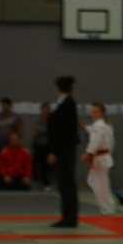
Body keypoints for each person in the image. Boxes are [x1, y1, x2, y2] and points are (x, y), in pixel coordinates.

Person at [47, 75, 80, 228]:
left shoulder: (67, 104)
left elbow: (63, 131)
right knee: (64, 183)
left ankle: (69, 218)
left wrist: (54, 151)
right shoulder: (64, 103)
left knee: (66, 183)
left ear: (58, 87)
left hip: (65, 150)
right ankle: (67, 217)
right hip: (64, 149)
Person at [82, 102, 116, 215]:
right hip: (104, 157)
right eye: (92, 112)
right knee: (101, 183)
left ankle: (106, 208)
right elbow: (111, 142)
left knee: (98, 183)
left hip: (100, 158)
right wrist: (84, 126)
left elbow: (96, 141)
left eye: (96, 112)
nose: (93, 114)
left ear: (102, 113)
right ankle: (108, 206)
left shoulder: (99, 126)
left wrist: (88, 153)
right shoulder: (105, 126)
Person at [0, 97, 22, 182]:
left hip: (11, 147)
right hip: (0, 146)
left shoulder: (15, 117)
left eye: (5, 105)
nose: (3, 107)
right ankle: (1, 183)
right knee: (0, 165)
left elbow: (19, 129)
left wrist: (17, 140)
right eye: (2, 105)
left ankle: (12, 183)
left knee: (12, 164)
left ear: (9, 105)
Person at [32, 102, 51, 189]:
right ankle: (37, 182)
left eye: (47, 109)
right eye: (43, 109)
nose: (45, 111)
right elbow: (34, 132)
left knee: (46, 165)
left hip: (48, 146)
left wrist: (40, 131)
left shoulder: (52, 121)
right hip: (38, 145)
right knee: (36, 165)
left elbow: (51, 132)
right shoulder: (38, 121)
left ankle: (46, 183)